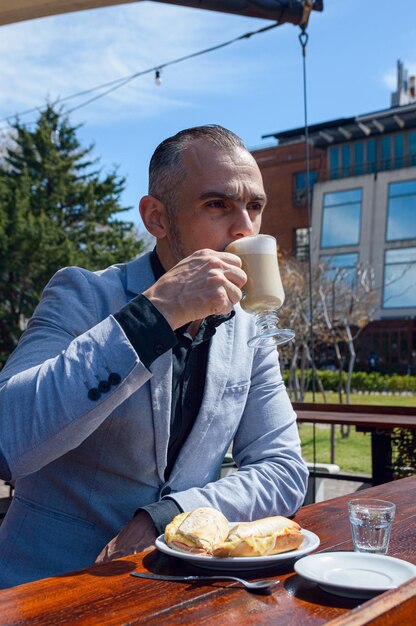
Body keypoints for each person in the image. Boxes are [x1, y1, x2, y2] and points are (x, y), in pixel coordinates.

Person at [0, 125, 308, 587]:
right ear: (158, 218)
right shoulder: (82, 294)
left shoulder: (251, 332)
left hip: (179, 588)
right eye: (217, 204)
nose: (245, 226)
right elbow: (8, 438)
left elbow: (283, 470)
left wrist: (171, 514)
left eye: (255, 206)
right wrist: (155, 316)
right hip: (45, 587)